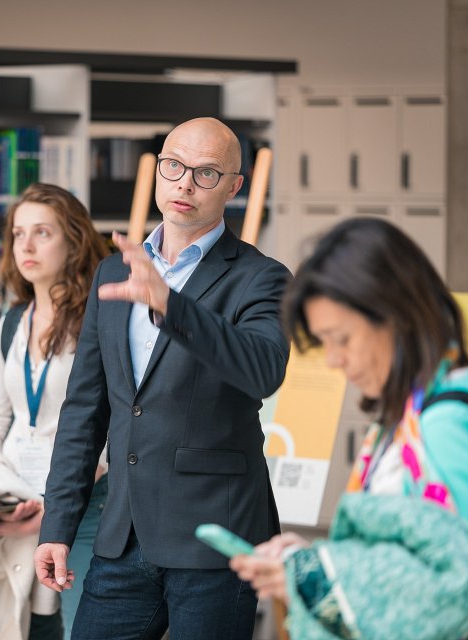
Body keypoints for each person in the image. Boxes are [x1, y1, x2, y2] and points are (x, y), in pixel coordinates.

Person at [34, 117, 291, 640]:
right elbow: (85, 409)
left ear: (234, 186)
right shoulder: (113, 272)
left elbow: (263, 370)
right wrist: (57, 525)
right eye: (173, 166)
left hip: (215, 540)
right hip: (123, 535)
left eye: (206, 173)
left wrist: (170, 305)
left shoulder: (260, 277)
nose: (185, 184)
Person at [230, 217, 468, 639]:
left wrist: (317, 580)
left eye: (342, 339)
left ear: (397, 317)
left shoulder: (448, 427)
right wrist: (317, 560)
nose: (334, 360)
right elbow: (405, 557)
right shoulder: (410, 413)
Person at [0, 183, 109, 639]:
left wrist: (54, 505)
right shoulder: (13, 321)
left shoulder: (99, 320)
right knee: (26, 627)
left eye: (42, 233)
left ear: (73, 242)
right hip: (18, 504)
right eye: (17, 233)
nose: (25, 245)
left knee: (77, 627)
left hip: (84, 504)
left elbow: (110, 425)